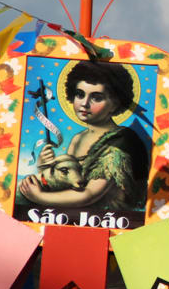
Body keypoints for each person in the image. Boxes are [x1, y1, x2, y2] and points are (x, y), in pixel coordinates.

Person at [18, 61, 149, 212]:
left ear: (115, 103)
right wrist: (45, 166)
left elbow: (89, 194)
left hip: (112, 221)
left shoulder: (122, 141)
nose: (84, 104)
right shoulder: (78, 138)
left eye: (96, 97)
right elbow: (69, 184)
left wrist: (39, 197)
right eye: (80, 94)